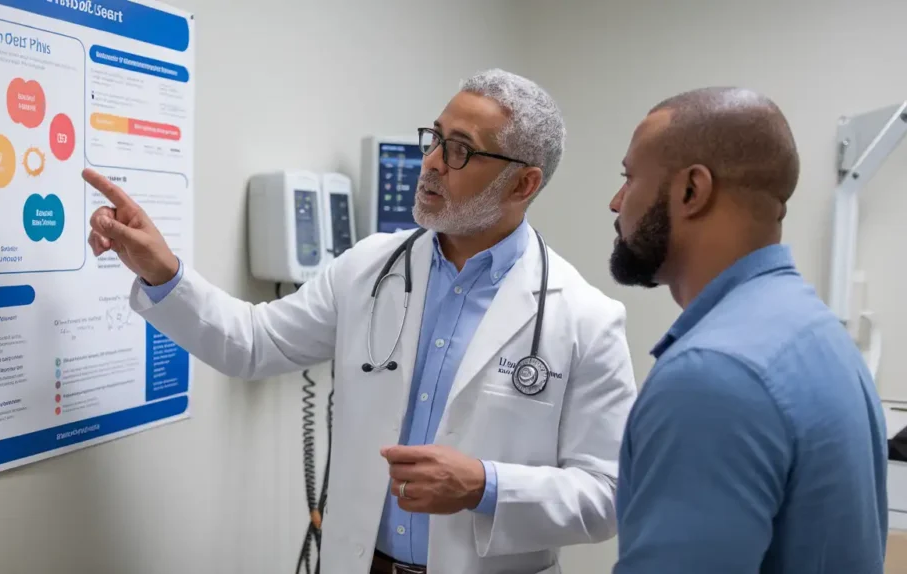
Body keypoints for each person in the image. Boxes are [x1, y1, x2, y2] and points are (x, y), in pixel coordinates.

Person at [85, 69, 637, 574]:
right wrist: (161, 270)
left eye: (461, 151)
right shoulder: (369, 266)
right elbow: (251, 344)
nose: (433, 162)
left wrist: (486, 486)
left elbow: (611, 493)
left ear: (522, 184)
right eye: (436, 138)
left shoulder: (585, 319)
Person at [607, 86, 889, 573]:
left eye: (629, 178)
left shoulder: (712, 375)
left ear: (692, 190)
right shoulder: (817, 334)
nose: (616, 203)